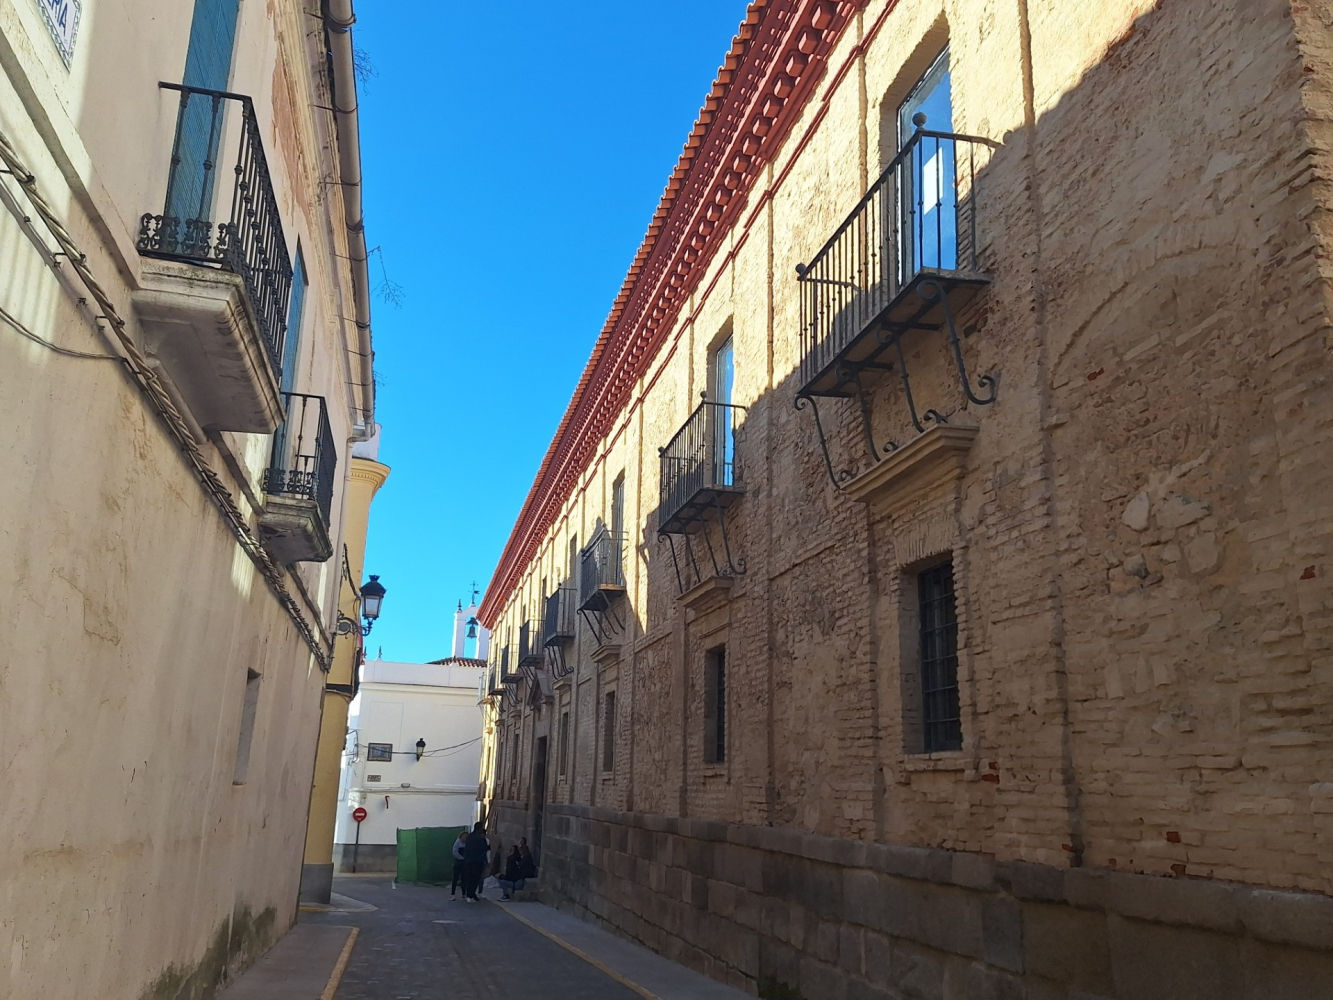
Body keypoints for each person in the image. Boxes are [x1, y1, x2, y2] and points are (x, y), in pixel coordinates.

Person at [459, 822, 490, 902]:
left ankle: (470, 894)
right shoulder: (480, 838)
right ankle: (471, 894)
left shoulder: (469, 837)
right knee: (475, 879)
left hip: (469, 861)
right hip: (477, 861)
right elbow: (484, 848)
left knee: (470, 878)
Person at [449, 828, 468, 899]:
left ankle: (464, 894)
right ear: (461, 836)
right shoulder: (457, 842)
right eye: (464, 836)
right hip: (458, 863)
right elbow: (455, 852)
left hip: (464, 863)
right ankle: (452, 894)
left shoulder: (467, 843)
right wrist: (462, 858)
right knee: (455, 879)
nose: (465, 838)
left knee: (464, 879)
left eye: (466, 837)